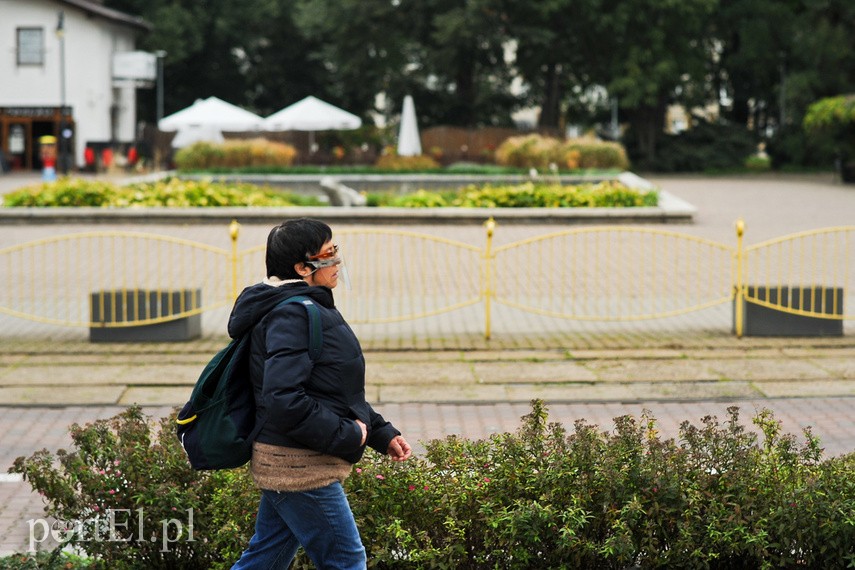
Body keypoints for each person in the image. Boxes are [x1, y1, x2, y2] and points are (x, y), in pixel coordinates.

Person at [229, 218, 412, 569]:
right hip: (297, 464)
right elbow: (283, 399)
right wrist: (348, 435)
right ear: (302, 267)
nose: (337, 261)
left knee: (265, 558)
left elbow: (332, 387)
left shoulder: (306, 305)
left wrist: (380, 432)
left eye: (336, 250)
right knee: (346, 560)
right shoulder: (293, 314)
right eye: (328, 254)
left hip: (288, 456)